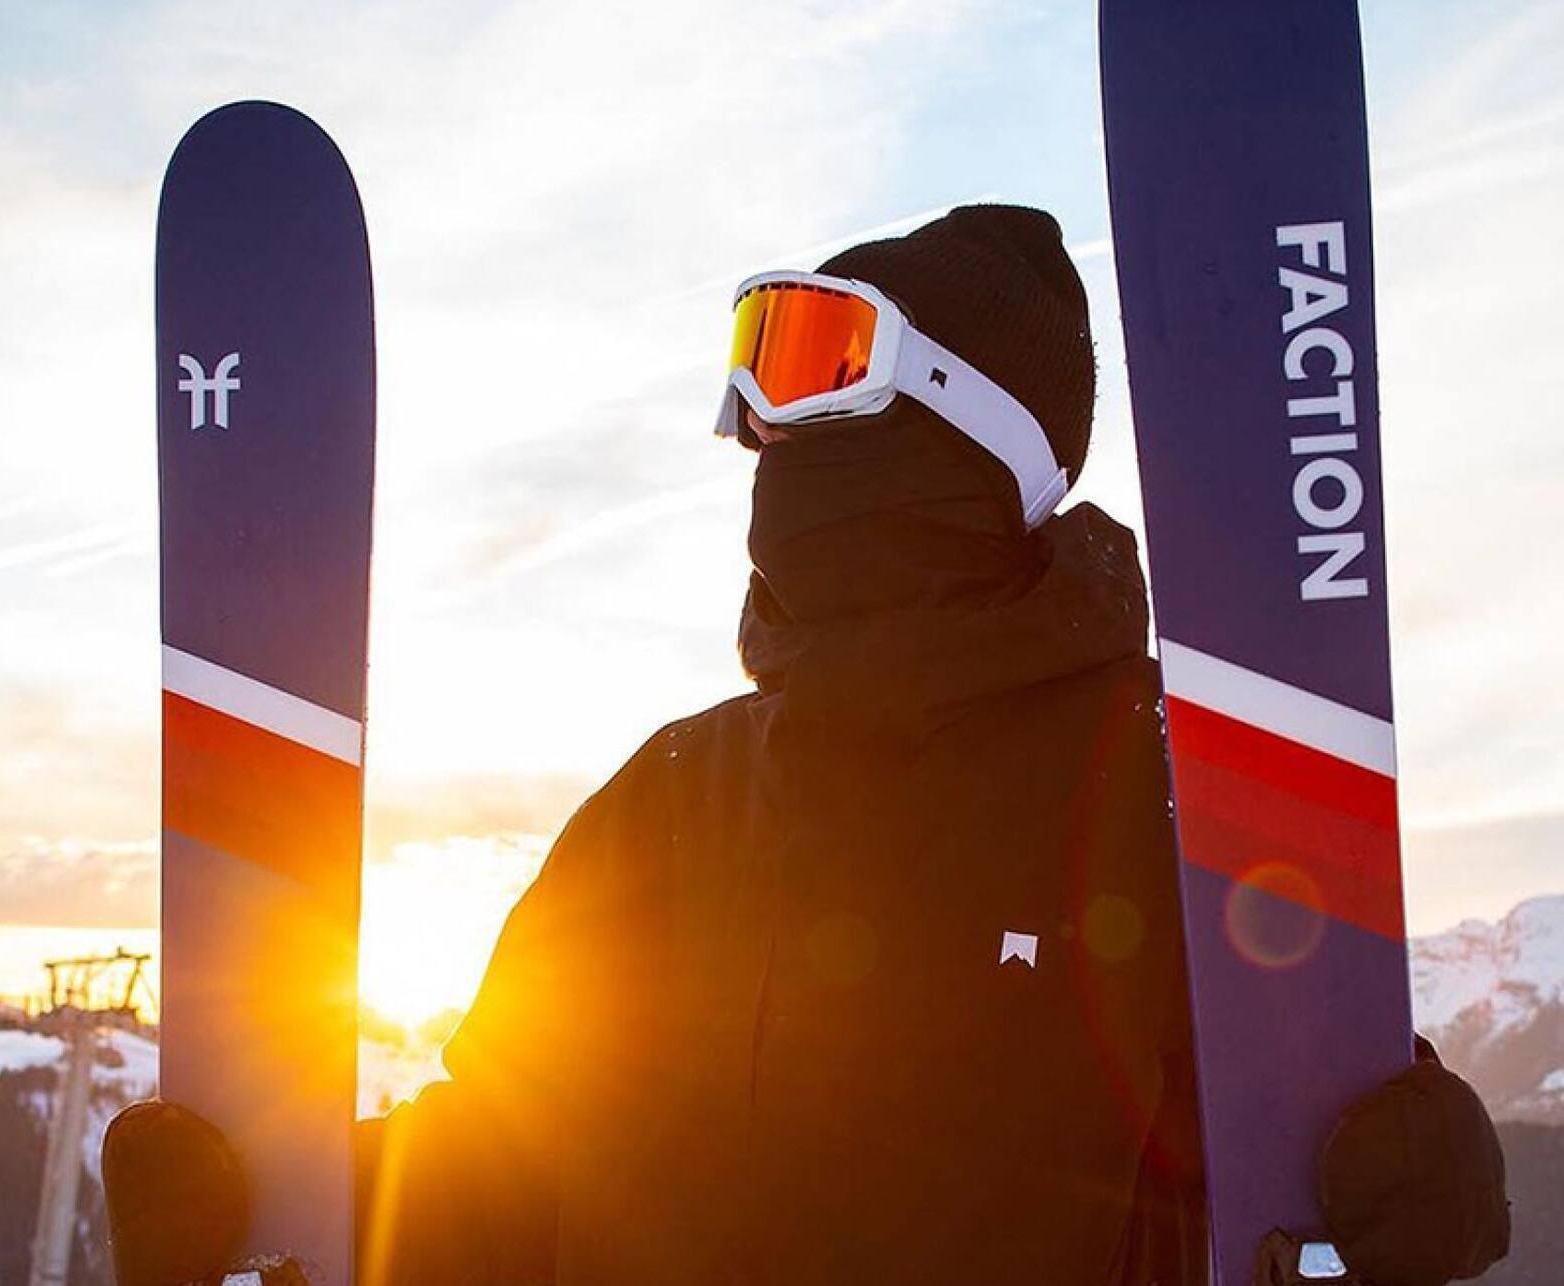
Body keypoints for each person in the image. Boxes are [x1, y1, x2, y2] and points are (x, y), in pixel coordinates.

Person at [104, 207, 1509, 1286]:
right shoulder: (667, 795)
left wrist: (1409, 1194)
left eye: (804, 356)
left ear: (964, 416)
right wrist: (277, 1207)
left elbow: (1295, 1140)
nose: (753, 421)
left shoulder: (1170, 789)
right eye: (746, 376)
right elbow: (496, 1167)